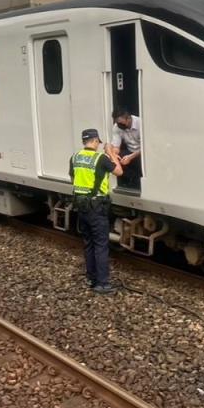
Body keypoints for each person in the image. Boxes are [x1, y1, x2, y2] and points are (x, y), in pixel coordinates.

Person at [69, 128, 123, 294]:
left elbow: (73, 177)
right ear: (94, 141)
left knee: (88, 243)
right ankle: (103, 284)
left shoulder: (75, 157)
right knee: (101, 245)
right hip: (97, 207)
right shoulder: (101, 158)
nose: (99, 146)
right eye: (98, 143)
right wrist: (110, 153)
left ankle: (91, 279)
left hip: (81, 206)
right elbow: (119, 171)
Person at [106, 109, 141, 189]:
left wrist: (131, 157)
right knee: (114, 158)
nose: (120, 125)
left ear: (128, 118)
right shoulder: (117, 127)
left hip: (142, 152)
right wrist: (114, 155)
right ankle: (132, 180)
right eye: (117, 122)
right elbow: (116, 146)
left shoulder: (140, 123)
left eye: (121, 123)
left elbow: (146, 146)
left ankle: (138, 180)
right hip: (130, 151)